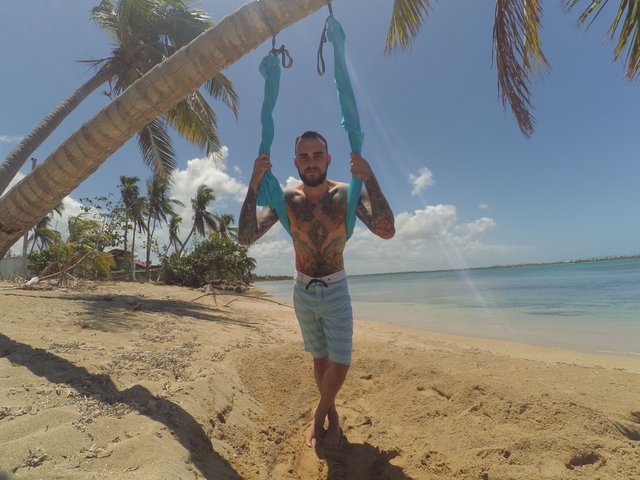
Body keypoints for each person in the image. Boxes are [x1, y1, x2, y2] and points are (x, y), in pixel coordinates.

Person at [238, 131, 395, 448]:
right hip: (303, 290)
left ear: (329, 159)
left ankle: (318, 413)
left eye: (317, 155)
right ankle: (333, 417)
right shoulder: (286, 200)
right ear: (295, 162)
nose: (311, 162)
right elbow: (245, 237)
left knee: (341, 360)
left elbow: (386, 231)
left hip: (336, 289)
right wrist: (253, 183)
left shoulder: (346, 195)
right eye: (305, 156)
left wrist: (370, 178)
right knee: (320, 358)